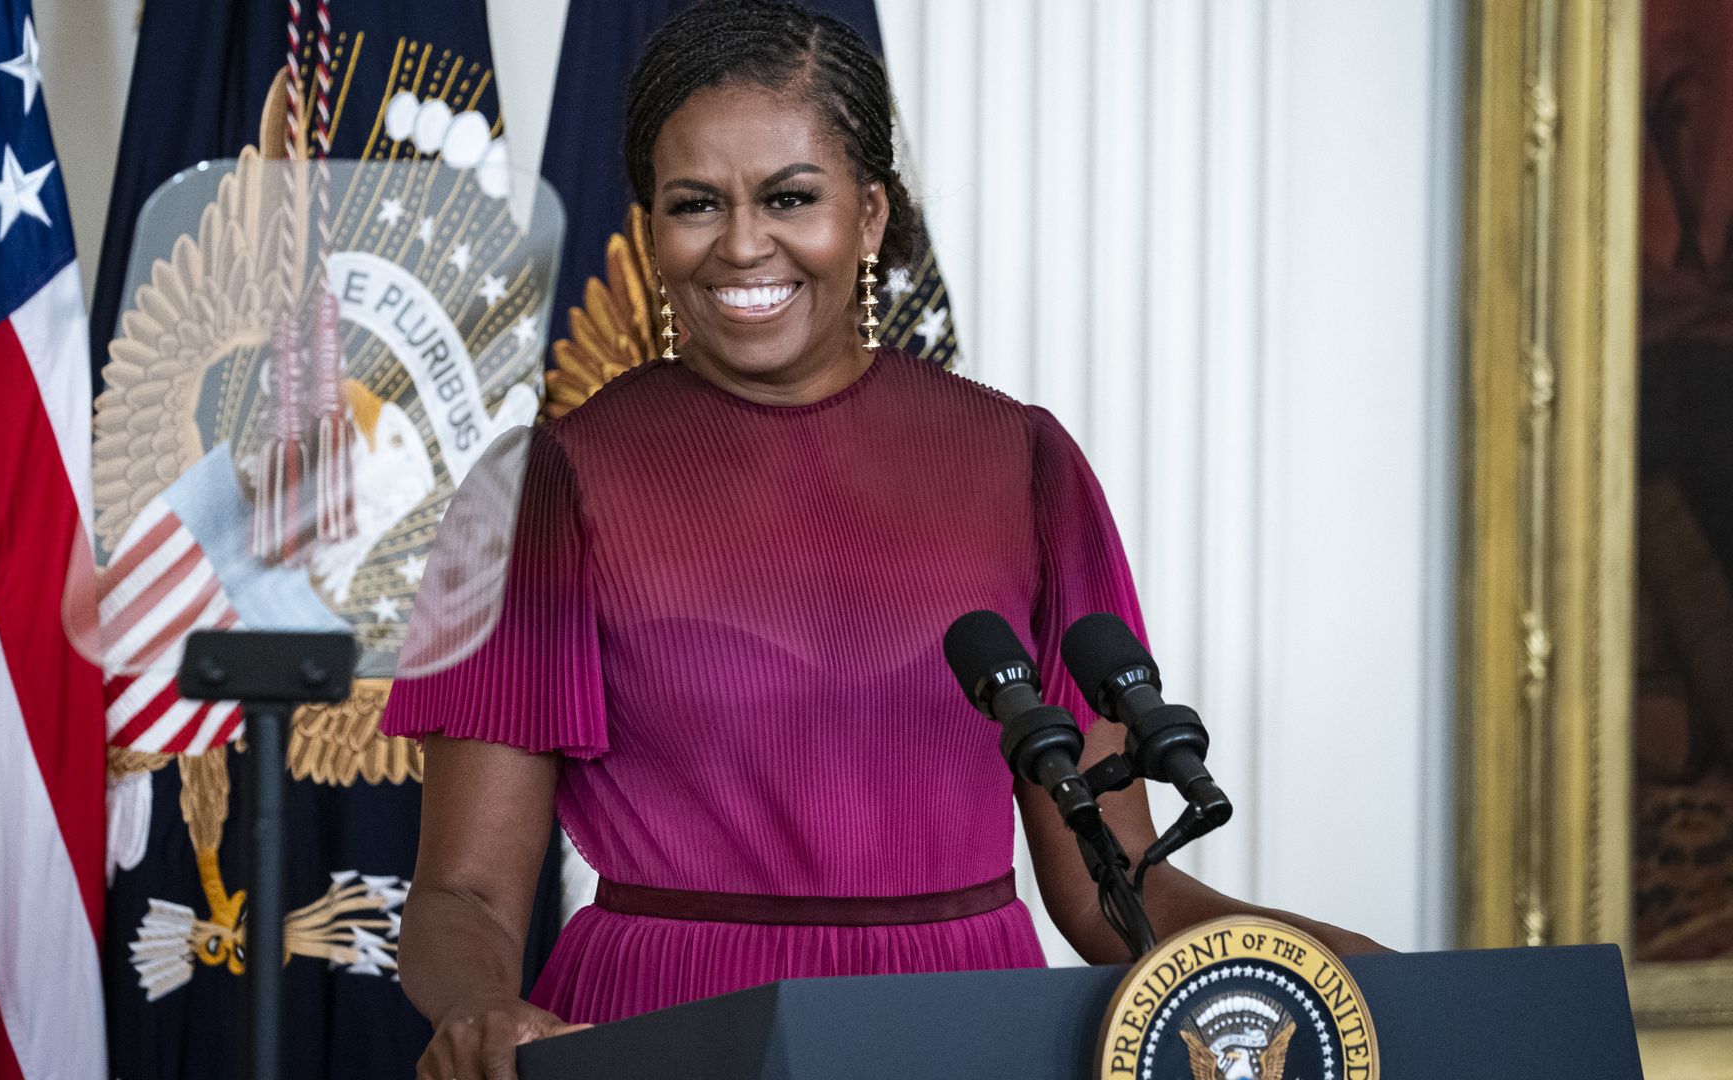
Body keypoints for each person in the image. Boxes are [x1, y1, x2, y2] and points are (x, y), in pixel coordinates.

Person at [380, 4, 1382, 1078]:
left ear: (869, 215)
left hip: (965, 1031)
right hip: (664, 1030)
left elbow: (1110, 883)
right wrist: (483, 1008)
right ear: (648, 227)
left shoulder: (1025, 463)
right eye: (695, 205)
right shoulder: (534, 488)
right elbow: (466, 893)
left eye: (791, 198)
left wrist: (1349, 970)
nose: (743, 243)